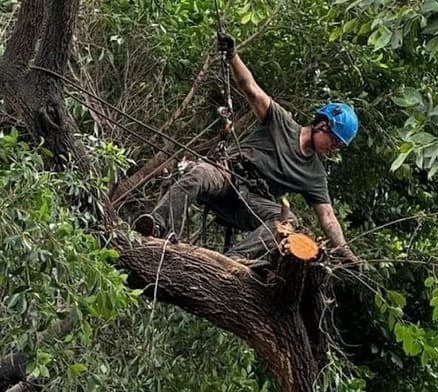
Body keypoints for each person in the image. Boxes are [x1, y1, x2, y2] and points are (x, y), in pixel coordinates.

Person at [134, 33, 359, 265]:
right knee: (199, 173)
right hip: (227, 176)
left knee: (287, 223)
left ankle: (232, 261)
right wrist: (232, 56)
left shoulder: (315, 174)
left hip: (251, 203)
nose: (334, 148)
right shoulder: (281, 122)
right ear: (322, 125)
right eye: (334, 141)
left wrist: (346, 252)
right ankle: (158, 226)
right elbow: (251, 88)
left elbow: (328, 217)